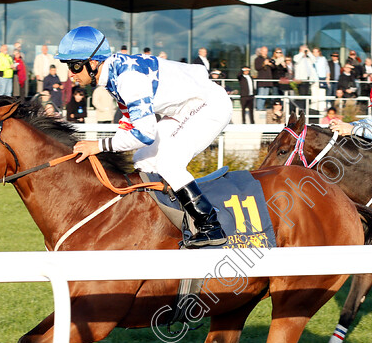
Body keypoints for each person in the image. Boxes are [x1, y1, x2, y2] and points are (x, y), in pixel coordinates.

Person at [56, 26, 230, 248]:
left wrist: (98, 146)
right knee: (143, 159)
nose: (71, 73)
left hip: (208, 105)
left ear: (93, 62)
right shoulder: (113, 74)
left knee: (169, 164)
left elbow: (144, 134)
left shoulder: (128, 79)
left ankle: (210, 226)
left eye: (74, 65)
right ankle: (161, 223)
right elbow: (129, 124)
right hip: (182, 109)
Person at [254, 46, 273, 111]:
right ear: (261, 51)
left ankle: (262, 107)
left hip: (268, 80)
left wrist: (270, 64)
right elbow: (257, 68)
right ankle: (259, 108)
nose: (265, 53)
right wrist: (264, 64)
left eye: (266, 51)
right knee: (260, 95)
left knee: (265, 95)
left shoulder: (269, 58)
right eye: (263, 51)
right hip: (262, 80)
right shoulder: (257, 59)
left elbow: (274, 67)